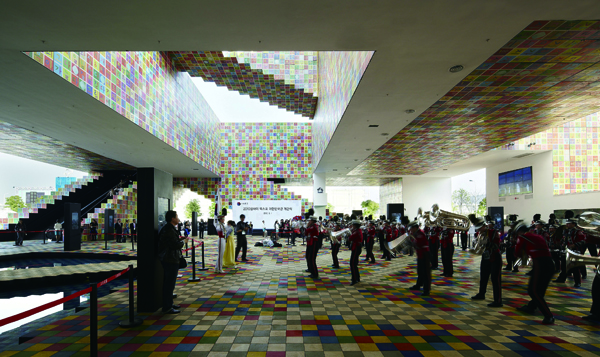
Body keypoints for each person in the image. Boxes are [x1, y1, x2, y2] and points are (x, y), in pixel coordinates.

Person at [512, 220, 556, 324]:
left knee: (533, 291)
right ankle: (531, 307)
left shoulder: (522, 237)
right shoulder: (538, 236)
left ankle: (548, 316)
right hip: (550, 263)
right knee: (541, 289)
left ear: (519, 231)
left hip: (539, 264)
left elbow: (517, 253)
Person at [157, 210, 187, 314]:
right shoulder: (169, 229)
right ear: (172, 218)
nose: (178, 218)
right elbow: (174, 245)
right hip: (169, 259)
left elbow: (171, 241)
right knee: (169, 284)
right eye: (177, 216)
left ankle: (169, 303)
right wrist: (183, 242)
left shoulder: (169, 228)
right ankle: (167, 307)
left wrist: (179, 239)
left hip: (170, 258)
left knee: (170, 283)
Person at [471, 216, 503, 307]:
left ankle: (498, 300)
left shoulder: (493, 233)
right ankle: (481, 294)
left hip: (494, 257)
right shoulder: (480, 234)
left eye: (480, 228)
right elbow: (479, 245)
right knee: (483, 277)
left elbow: (497, 245)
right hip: (485, 257)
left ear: (484, 226)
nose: (478, 230)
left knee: (495, 279)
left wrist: (487, 244)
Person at [408, 221, 431, 296]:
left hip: (425, 254)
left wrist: (410, 242)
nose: (410, 230)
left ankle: (426, 289)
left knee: (425, 272)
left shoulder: (420, 233)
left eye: (411, 228)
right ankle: (418, 285)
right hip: (420, 253)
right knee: (420, 271)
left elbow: (418, 243)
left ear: (415, 228)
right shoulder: (416, 233)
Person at [349, 220, 363, 285]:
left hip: (356, 248)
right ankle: (357, 277)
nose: (352, 226)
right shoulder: (357, 230)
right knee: (354, 263)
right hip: (356, 247)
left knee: (352, 263)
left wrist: (348, 234)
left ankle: (354, 279)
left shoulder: (356, 232)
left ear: (356, 226)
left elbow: (350, 238)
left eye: (353, 225)